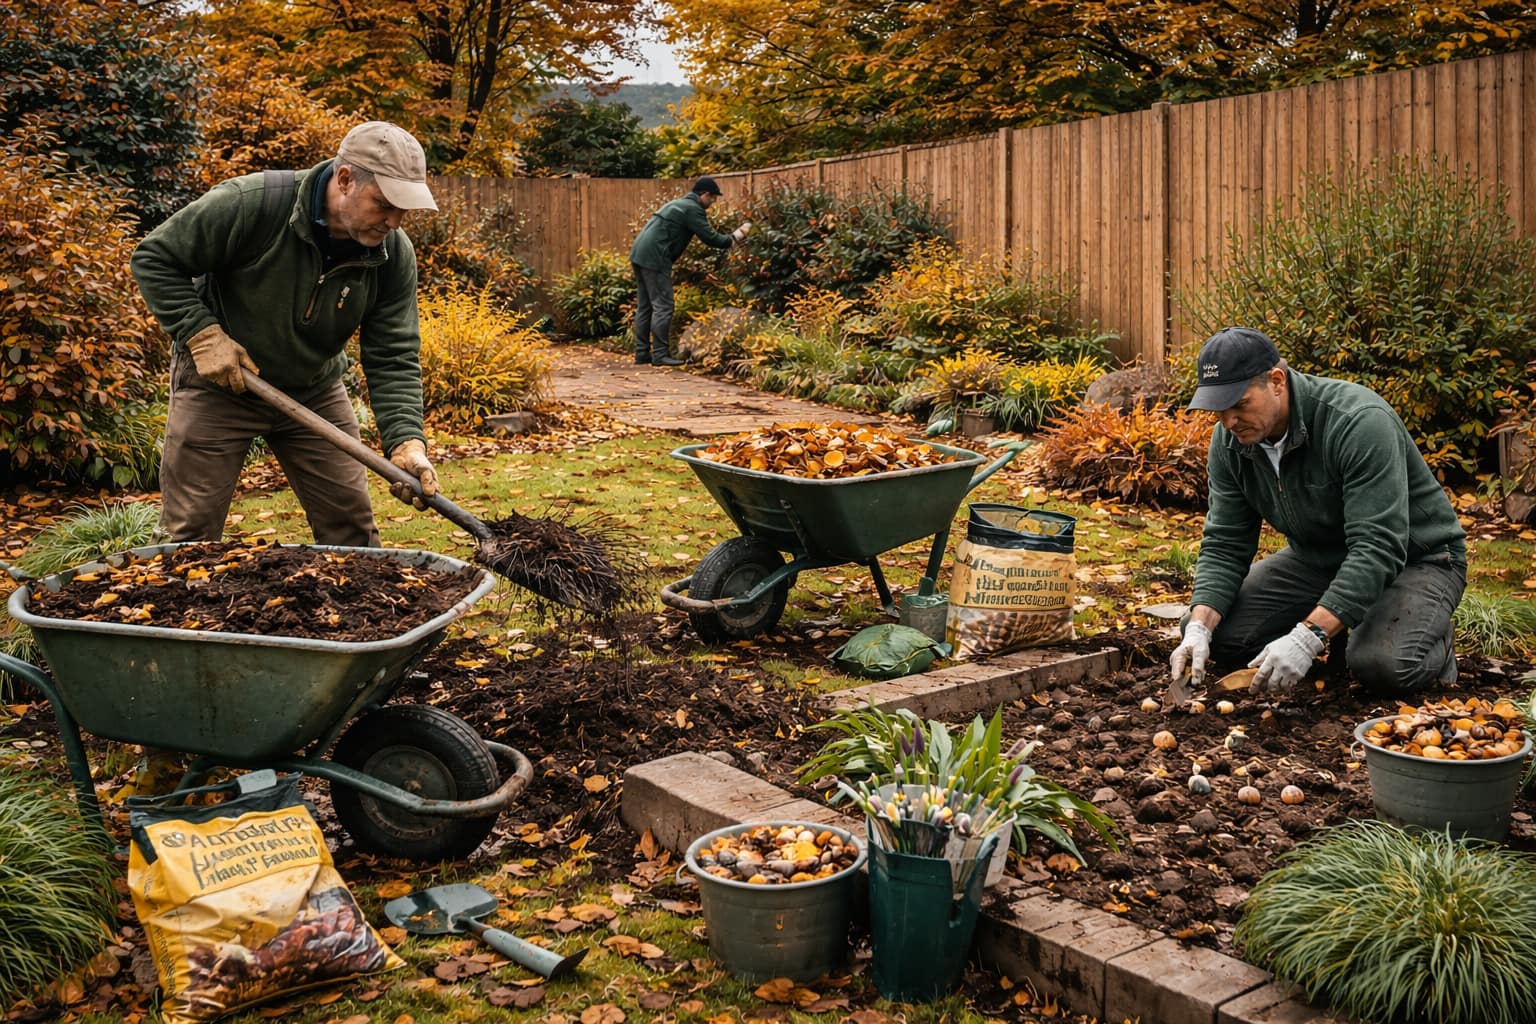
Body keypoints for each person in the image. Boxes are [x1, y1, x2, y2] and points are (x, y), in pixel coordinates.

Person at [131, 120, 442, 547]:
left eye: (405, 208)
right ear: (346, 179)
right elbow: (154, 258)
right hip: (221, 387)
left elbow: (393, 353)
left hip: (314, 391)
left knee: (351, 531)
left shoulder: (392, 254)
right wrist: (201, 334)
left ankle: (356, 615)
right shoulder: (252, 205)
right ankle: (172, 612)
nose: (395, 220)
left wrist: (407, 440)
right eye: (384, 203)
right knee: (190, 536)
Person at [1169, 326, 1466, 698]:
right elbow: (1225, 542)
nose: (1229, 421)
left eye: (1240, 404)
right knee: (1222, 635)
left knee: (1380, 665)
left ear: (1276, 381)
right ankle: (1344, 619)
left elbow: (1377, 547)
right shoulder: (1231, 442)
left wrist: (1307, 637)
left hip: (1418, 558)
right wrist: (1199, 627)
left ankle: (1425, 637)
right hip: (1318, 558)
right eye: (1219, 409)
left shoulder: (1357, 422)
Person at [629, 176, 750, 366]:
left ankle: (642, 353)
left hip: (639, 253)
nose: (712, 203)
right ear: (704, 194)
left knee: (645, 306)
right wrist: (737, 235)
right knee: (663, 305)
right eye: (712, 198)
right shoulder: (693, 209)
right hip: (655, 256)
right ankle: (660, 355)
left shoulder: (679, 203)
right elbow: (712, 239)